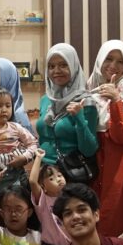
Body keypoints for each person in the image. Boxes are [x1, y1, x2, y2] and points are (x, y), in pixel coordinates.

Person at [85, 40, 123, 237]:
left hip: (117, 169)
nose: (113, 65)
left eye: (120, 61)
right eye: (108, 58)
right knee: (88, 223)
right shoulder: (87, 91)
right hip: (90, 167)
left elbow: (122, 135)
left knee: (114, 225)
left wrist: (116, 100)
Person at [35, 44, 99, 172]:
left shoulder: (86, 102)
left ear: (73, 66)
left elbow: (89, 150)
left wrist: (79, 118)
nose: (56, 71)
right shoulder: (46, 99)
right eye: (51, 66)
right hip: (43, 171)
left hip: (70, 172)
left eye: (63, 65)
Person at [27, 151, 71, 245]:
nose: (58, 179)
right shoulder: (43, 200)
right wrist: (38, 157)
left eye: (60, 175)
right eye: (51, 178)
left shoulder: (71, 198)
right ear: (43, 186)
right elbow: (32, 181)